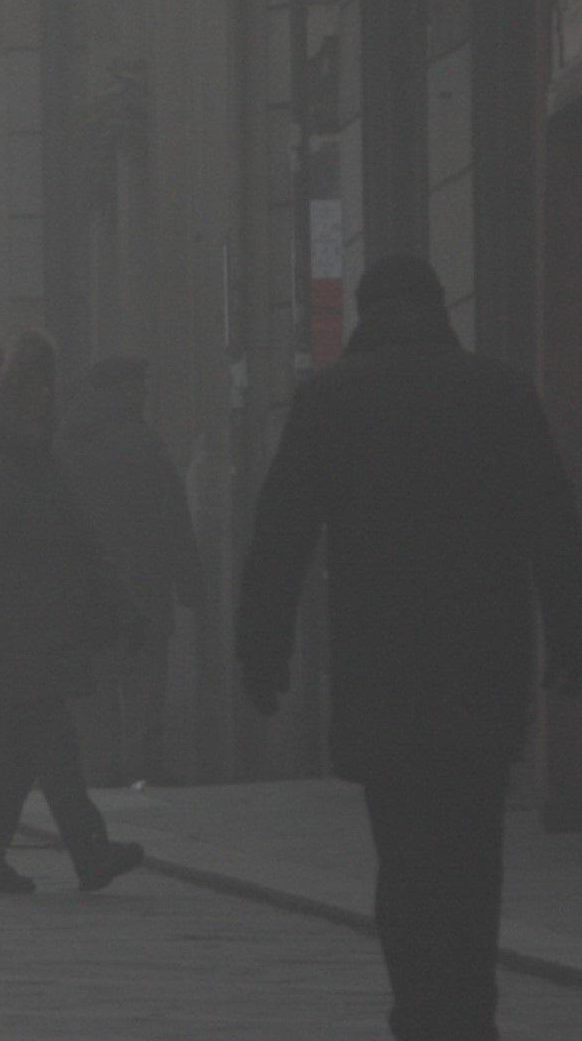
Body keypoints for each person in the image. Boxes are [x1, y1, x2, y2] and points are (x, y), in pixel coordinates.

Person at [237, 255, 582, 1041]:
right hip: (481, 670)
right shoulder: (500, 393)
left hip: (380, 673)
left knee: (405, 857)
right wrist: (570, 632)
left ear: (366, 314)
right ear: (438, 309)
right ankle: (471, 1015)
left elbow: (280, 534)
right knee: (473, 855)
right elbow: (554, 523)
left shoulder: (330, 400)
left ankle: (420, 1013)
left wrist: (262, 651)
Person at [0, 330, 145, 895]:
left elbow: (86, 546)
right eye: (29, 387)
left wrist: (121, 609)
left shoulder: (42, 465)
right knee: (53, 747)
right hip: (17, 637)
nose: (44, 397)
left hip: (49, 632)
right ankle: (89, 851)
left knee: (20, 751)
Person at [60, 357, 203, 786]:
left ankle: (101, 772)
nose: (144, 393)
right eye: (138, 386)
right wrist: (190, 580)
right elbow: (173, 514)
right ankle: (142, 770)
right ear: (120, 390)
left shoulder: (67, 443)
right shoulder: (142, 443)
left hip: (87, 593)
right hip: (142, 585)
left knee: (97, 687)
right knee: (142, 684)